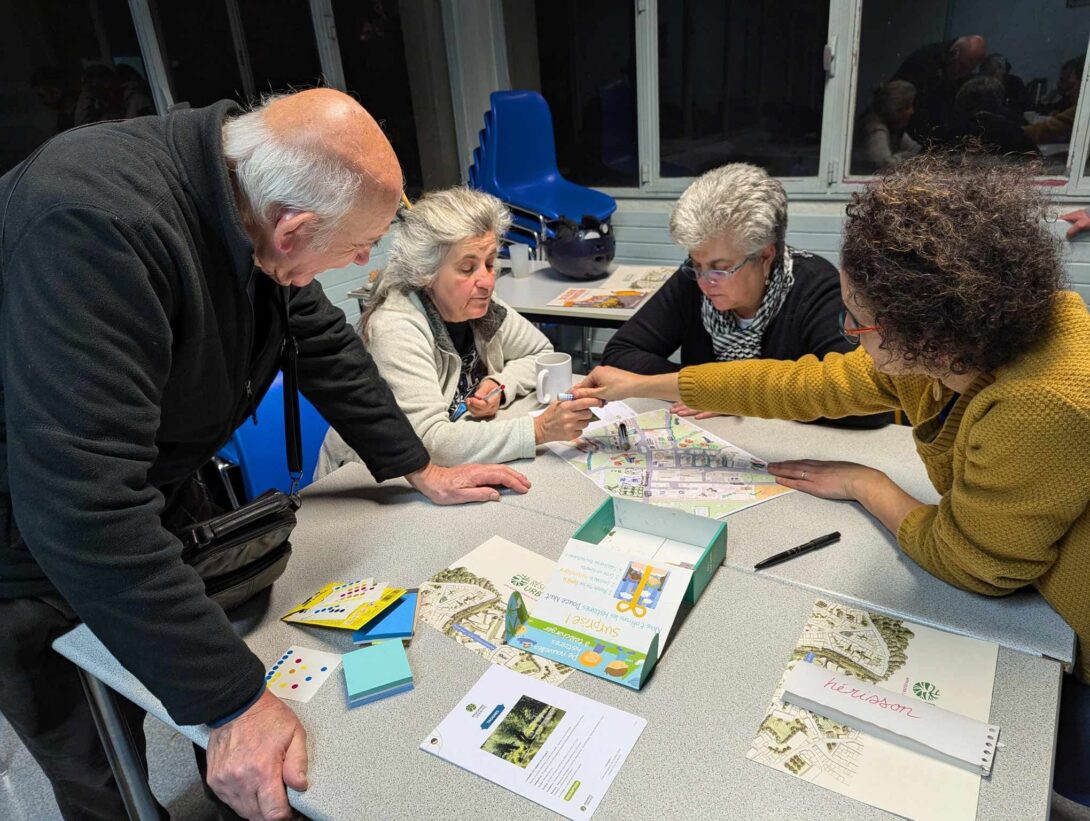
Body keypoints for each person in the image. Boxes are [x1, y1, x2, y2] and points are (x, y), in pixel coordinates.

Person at [0, 88, 531, 821]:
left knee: (210, 708)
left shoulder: (243, 190)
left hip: (148, 479)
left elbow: (319, 343)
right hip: (24, 527)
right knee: (94, 748)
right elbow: (79, 504)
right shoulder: (91, 223)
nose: (365, 259)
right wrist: (235, 699)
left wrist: (419, 465)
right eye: (357, 246)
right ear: (293, 228)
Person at [576, 153, 1090, 807]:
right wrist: (650, 383)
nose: (846, 333)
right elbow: (804, 380)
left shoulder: (1043, 401)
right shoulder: (954, 339)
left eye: (858, 321)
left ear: (923, 333)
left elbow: (976, 562)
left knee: (1022, 782)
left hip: (1072, 630)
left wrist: (865, 483)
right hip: (1048, 610)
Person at [317, 187, 598, 470]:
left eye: (489, 263)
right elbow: (430, 442)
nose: (487, 281)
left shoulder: (480, 306)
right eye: (467, 268)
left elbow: (539, 354)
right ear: (426, 273)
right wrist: (537, 430)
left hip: (444, 461)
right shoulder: (395, 326)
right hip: (365, 475)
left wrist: (500, 385)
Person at [601, 163, 888, 428]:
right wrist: (703, 390)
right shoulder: (691, 279)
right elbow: (620, 355)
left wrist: (732, 395)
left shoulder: (817, 288)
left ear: (765, 257)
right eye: (696, 265)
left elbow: (869, 405)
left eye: (721, 269)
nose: (704, 282)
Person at [893, 35, 987, 143]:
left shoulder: (951, 63)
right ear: (954, 53)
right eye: (962, 65)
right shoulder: (926, 60)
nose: (961, 71)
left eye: (968, 69)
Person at [853, 80, 921, 172]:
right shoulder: (875, 130)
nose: (912, 111)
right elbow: (886, 166)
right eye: (907, 107)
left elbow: (916, 151)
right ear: (896, 109)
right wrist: (905, 157)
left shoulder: (893, 128)